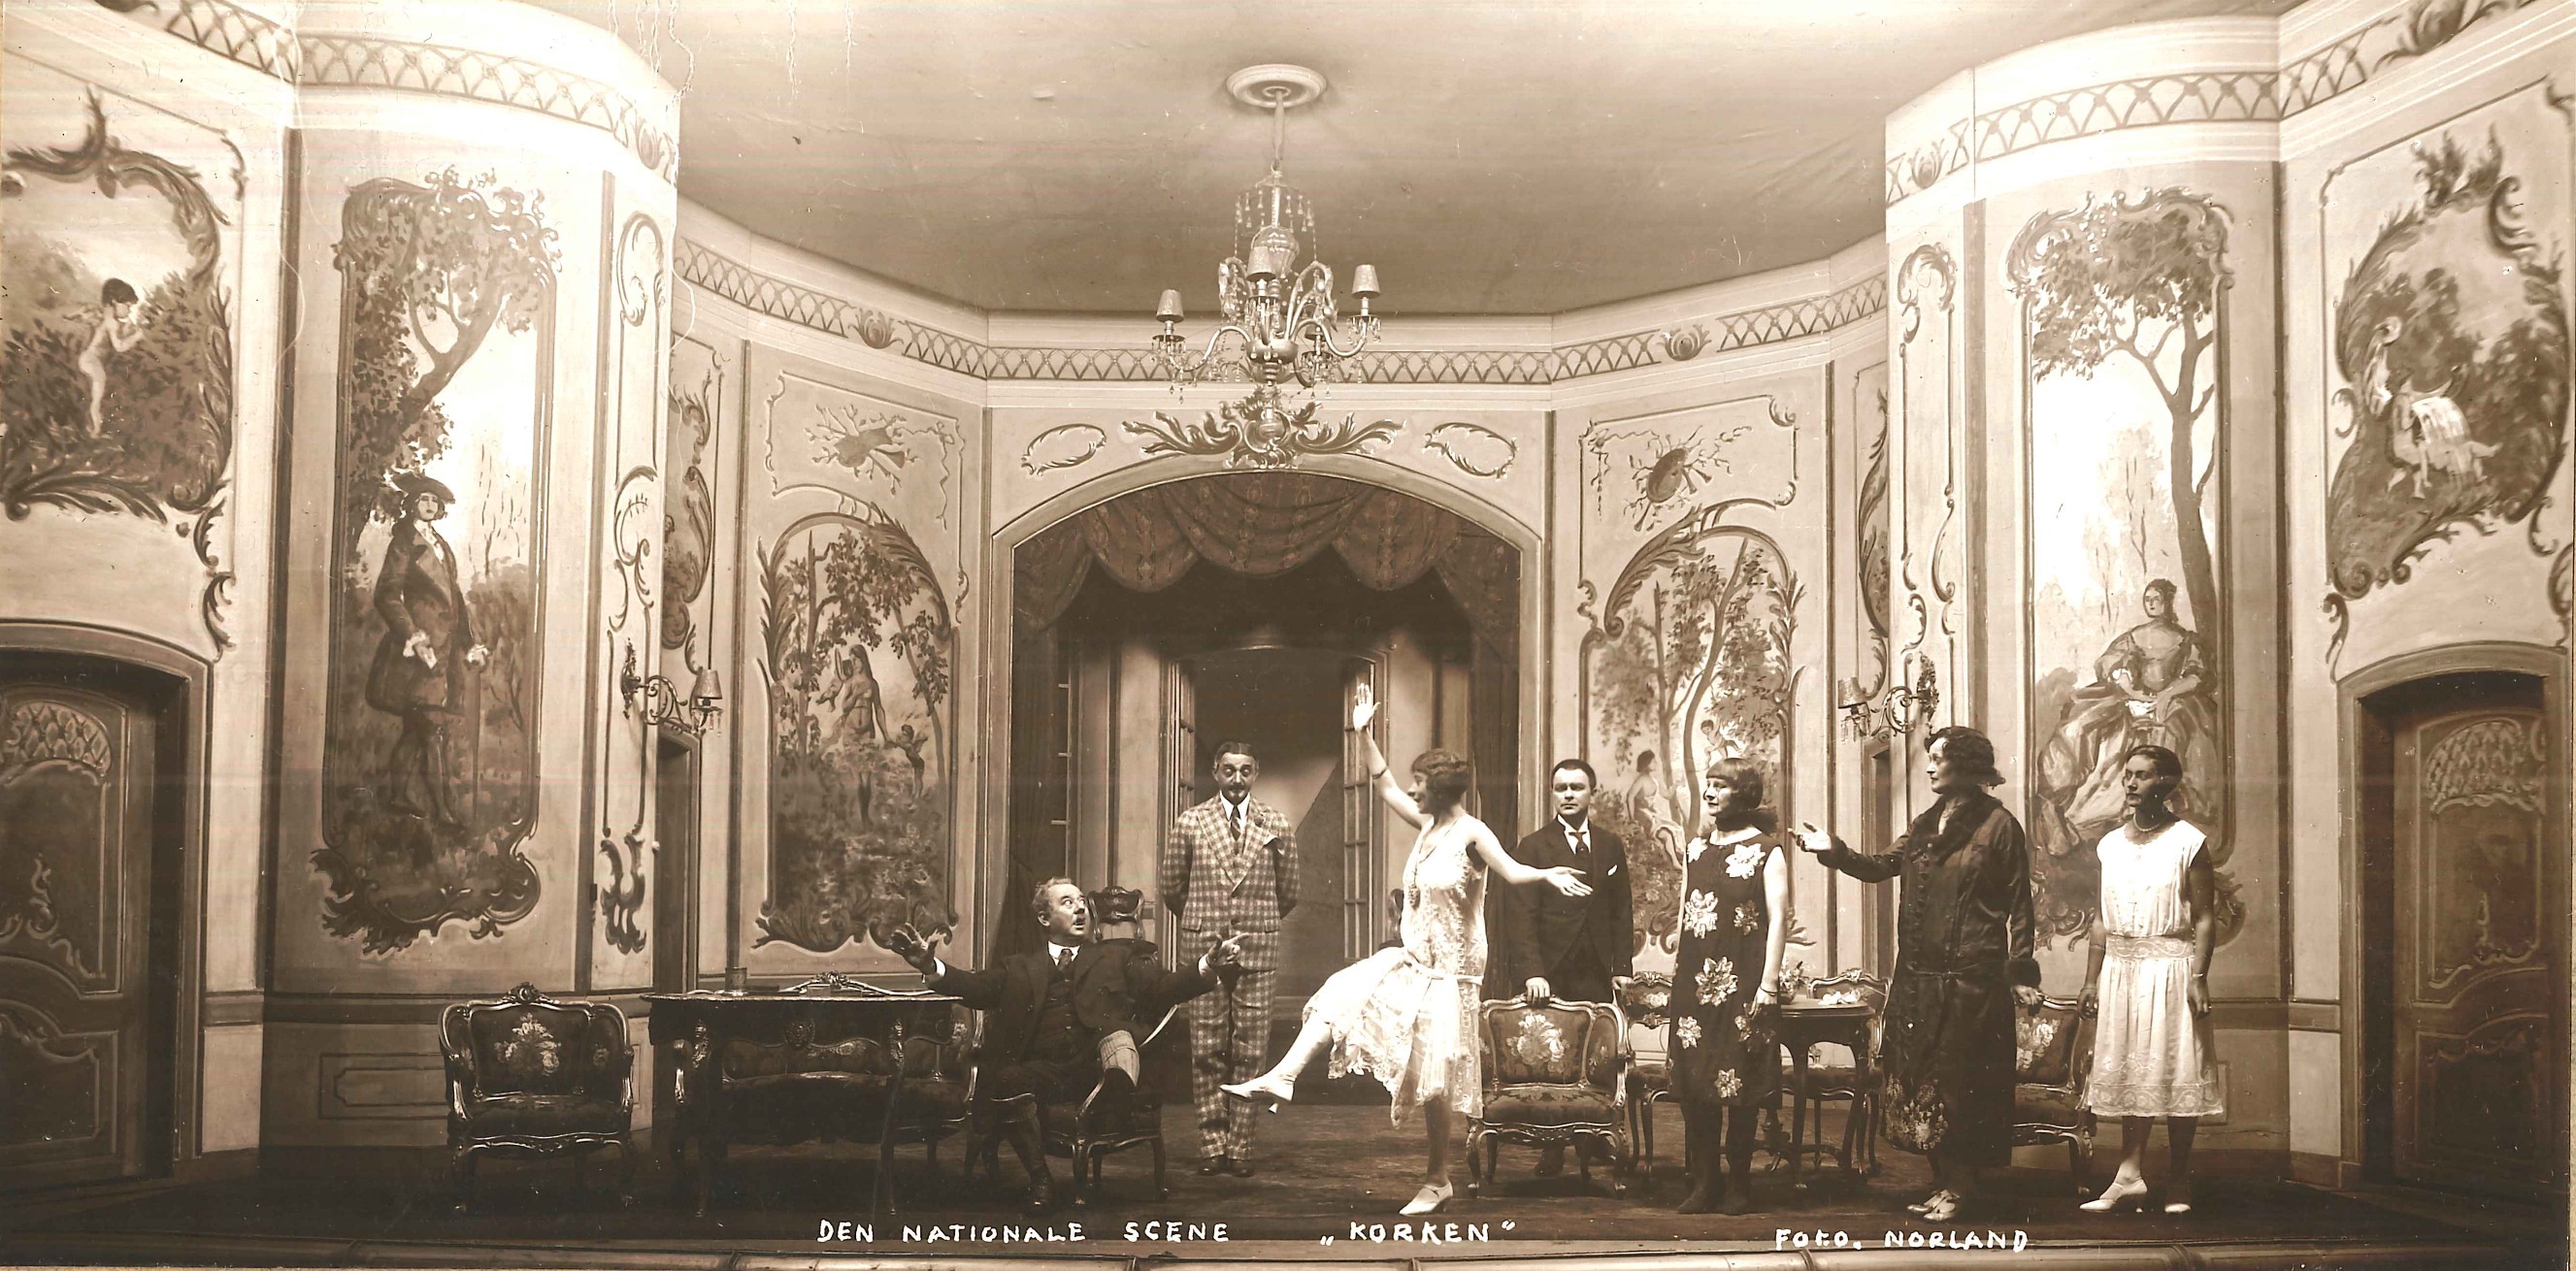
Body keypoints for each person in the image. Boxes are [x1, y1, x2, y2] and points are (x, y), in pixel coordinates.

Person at [1217, 682, 1592, 1217]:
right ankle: (1284, 1076)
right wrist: (1363, 732)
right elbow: (1384, 783)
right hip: (1416, 959)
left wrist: (1549, 874)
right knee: (1341, 992)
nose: (1412, 791)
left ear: (1440, 790)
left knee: (1435, 1080)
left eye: (1421, 784)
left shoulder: (1472, 833)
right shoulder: (1427, 823)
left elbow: (1511, 871)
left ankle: (1438, 1180)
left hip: (1454, 973)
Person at [1798, 725, 2041, 1222]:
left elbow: (2020, 903)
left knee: (1961, 1081)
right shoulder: (1925, 823)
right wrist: (1833, 849)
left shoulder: (1999, 826)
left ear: (1966, 765)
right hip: (1919, 977)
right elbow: (1878, 866)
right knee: (1921, 1077)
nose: (1928, 766)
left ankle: (1962, 1186)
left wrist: (2020, 972)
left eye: (1939, 757)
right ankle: (1943, 1179)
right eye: (1929, 757)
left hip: (1972, 979)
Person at [888, 881, 1244, 1214]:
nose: (1080, 909)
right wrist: (929, 965)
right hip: (1046, 1070)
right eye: (1067, 902)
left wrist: (1207, 965)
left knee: (1117, 1038)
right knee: (1006, 1079)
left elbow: (1162, 989)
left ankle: (1117, 1091)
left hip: (1096, 1064)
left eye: (1081, 902)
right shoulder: (1018, 966)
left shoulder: (1115, 956)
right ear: (1045, 918)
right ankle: (1040, 1178)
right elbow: (975, 987)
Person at [2076, 744, 2223, 1216]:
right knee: (2132, 1070)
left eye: (2142, 775)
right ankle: (2129, 1175)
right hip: (2121, 971)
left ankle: (2179, 1180)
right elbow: (2101, 919)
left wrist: (2199, 977)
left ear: (2166, 783)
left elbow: (2204, 917)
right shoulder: (2109, 845)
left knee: (2177, 1068)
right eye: (2128, 774)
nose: (2131, 783)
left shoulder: (2188, 842)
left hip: (2172, 969)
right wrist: (2091, 981)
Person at [1158, 738, 1298, 1178]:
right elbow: (1172, 888)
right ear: (1215, 773)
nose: (1237, 779)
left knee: (1251, 1050)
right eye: (1229, 770)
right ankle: (1211, 1145)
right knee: (1206, 1048)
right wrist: (1205, 921)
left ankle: (1240, 1148)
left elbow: (1289, 891)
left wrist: (1256, 921)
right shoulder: (1191, 822)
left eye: (1245, 770)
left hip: (1259, 947)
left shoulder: (1276, 822)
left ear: (1255, 773)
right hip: (1205, 949)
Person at [1491, 757, 1635, 1177]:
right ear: (1552, 794)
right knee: (1553, 1060)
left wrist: (1621, 966)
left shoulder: (1610, 844)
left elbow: (1622, 910)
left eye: (1576, 787)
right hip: (1550, 969)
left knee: (1595, 1057)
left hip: (1595, 968)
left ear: (1592, 793)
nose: (1568, 795)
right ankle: (1551, 1146)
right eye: (1561, 788)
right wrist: (1532, 972)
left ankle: (1592, 1138)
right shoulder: (1533, 847)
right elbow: (1520, 917)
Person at [1670, 757, 1791, 1214]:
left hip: (1744, 984)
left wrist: (1769, 984)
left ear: (1744, 794)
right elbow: (1684, 913)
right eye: (1709, 784)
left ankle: (1740, 1182)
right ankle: (1706, 1183)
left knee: (1742, 1084)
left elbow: (1778, 920)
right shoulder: (1695, 850)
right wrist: (1678, 973)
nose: (1710, 792)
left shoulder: (1767, 850)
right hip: (1694, 987)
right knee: (1697, 1085)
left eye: (1721, 785)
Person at [2033, 579, 2219, 859]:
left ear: (2169, 602)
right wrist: (2133, 692)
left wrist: (2166, 695)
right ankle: (2060, 800)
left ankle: (2159, 810)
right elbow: (2114, 666)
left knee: (2173, 727)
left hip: (2174, 701)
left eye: (2158, 599)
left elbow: (2196, 675)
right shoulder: (2134, 637)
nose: (2152, 604)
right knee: (2081, 725)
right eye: (2148, 599)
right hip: (2133, 698)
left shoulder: (2186, 640)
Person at [363, 472, 488, 834]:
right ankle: (445, 811)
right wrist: (412, 635)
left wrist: (469, 642)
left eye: (435, 501)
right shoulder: (405, 542)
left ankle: (397, 796)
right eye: (424, 500)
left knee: (417, 729)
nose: (431, 505)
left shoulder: (440, 544)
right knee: (431, 728)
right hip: (419, 652)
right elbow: (387, 595)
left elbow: (454, 599)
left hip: (445, 650)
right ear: (411, 504)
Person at [78, 277, 149, 438]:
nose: (129, 311)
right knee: (97, 396)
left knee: (97, 395)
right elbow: (119, 347)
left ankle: (94, 428)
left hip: (89, 359)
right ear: (115, 302)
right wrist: (137, 336)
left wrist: (128, 330)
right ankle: (95, 430)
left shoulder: (109, 319)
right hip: (91, 360)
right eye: (128, 306)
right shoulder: (112, 322)